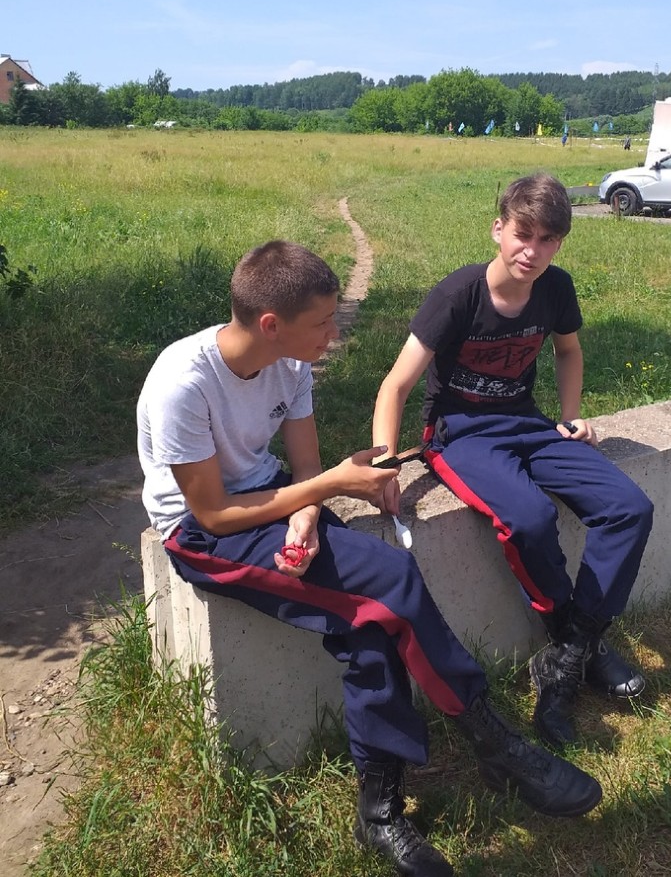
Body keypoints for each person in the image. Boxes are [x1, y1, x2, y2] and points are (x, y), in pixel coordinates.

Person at [137, 239, 602, 877]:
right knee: (393, 577)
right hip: (201, 534)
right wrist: (329, 486)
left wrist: (306, 513)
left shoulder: (291, 363)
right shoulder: (183, 384)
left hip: (273, 501)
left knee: (370, 627)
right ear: (271, 324)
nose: (333, 335)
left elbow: (303, 469)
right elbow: (214, 514)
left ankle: (379, 812)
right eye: (323, 323)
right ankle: (493, 741)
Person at [372, 174, 654, 751]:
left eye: (548, 240)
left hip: (528, 423)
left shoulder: (555, 289)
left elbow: (568, 350)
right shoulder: (458, 295)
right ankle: (582, 648)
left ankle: (569, 653)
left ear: (559, 244)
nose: (533, 251)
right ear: (498, 228)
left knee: (629, 508)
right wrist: (384, 465)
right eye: (523, 234)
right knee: (528, 518)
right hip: (460, 434)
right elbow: (395, 386)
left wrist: (571, 418)